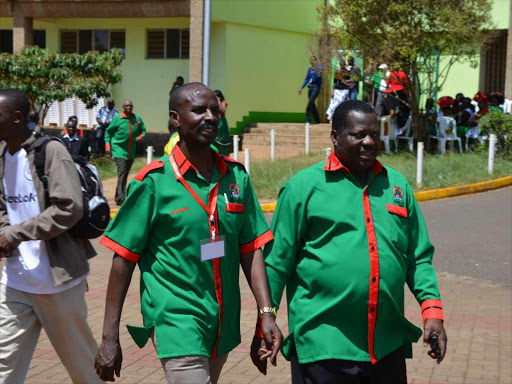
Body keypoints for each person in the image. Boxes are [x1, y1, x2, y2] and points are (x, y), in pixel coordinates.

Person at [94, 82, 282, 384]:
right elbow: (123, 260)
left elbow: (251, 249)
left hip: (222, 320)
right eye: (198, 110)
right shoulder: (153, 182)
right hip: (175, 317)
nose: (210, 116)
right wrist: (109, 337)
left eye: (214, 109)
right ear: (176, 119)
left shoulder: (236, 177)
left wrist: (267, 313)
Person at [251, 100, 447, 384]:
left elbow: (418, 258)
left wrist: (433, 312)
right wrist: (265, 321)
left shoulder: (397, 186)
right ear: (335, 137)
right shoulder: (302, 188)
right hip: (324, 345)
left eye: (374, 135)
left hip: (385, 345)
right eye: (358, 135)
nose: (369, 142)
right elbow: (277, 263)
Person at [0, 89, 102, 384]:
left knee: (83, 368)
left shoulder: (51, 150)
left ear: (17, 117)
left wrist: (16, 234)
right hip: (17, 281)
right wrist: (5, 232)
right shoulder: (3, 155)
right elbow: (3, 206)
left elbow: (69, 207)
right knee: (3, 364)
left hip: (58, 281)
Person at [104, 99, 146, 206]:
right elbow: (108, 132)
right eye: (127, 106)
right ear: (123, 107)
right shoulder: (117, 118)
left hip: (130, 151)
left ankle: (119, 195)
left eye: (131, 106)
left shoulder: (136, 118)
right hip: (118, 149)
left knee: (125, 173)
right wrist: (108, 145)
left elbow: (143, 129)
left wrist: (141, 136)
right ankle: (121, 198)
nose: (129, 108)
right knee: (122, 171)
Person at [298, 56, 323, 124]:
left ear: (316, 61)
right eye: (310, 60)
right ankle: (317, 120)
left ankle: (307, 120)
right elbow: (307, 79)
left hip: (316, 87)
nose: (311, 61)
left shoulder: (320, 67)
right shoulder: (309, 69)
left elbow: (316, 78)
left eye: (313, 60)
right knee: (312, 104)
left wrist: (315, 71)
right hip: (310, 87)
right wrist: (301, 88)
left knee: (310, 102)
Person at [212, 90, 232, 156]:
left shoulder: (223, 103)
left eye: (216, 96)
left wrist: (218, 102)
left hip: (222, 123)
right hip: (215, 122)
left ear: (219, 97)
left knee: (223, 139)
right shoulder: (212, 104)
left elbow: (222, 110)